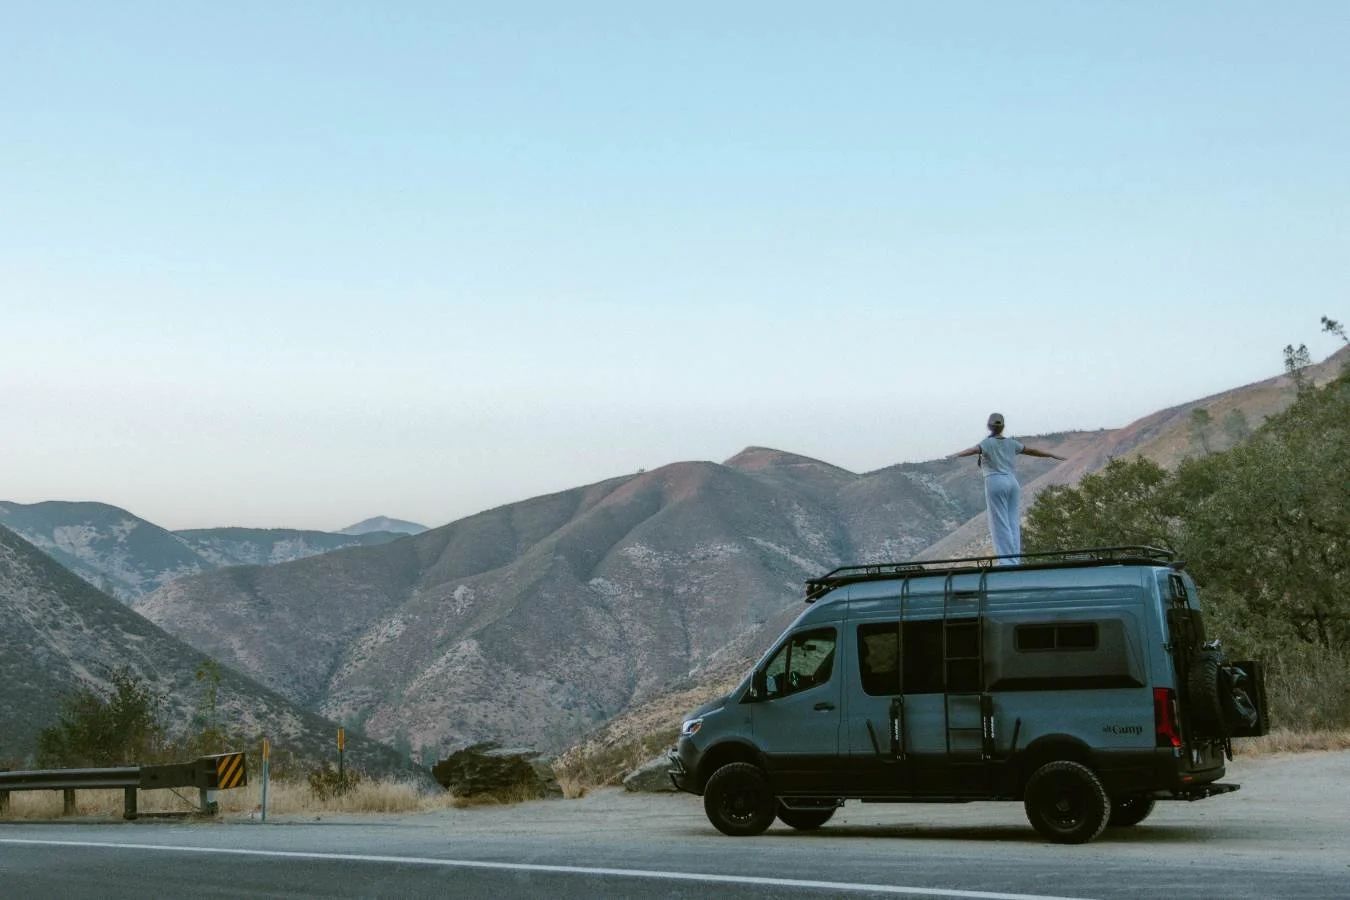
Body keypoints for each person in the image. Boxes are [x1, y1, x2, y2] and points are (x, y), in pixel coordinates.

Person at [950, 412, 1065, 564]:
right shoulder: (1011, 443)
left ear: (988, 426)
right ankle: (1015, 560)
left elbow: (973, 450)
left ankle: (1006, 562)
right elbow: (1031, 450)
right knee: (1012, 521)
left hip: (995, 481)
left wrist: (955, 455)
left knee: (999, 522)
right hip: (1012, 482)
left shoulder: (987, 443)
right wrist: (1050, 455)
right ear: (1003, 427)